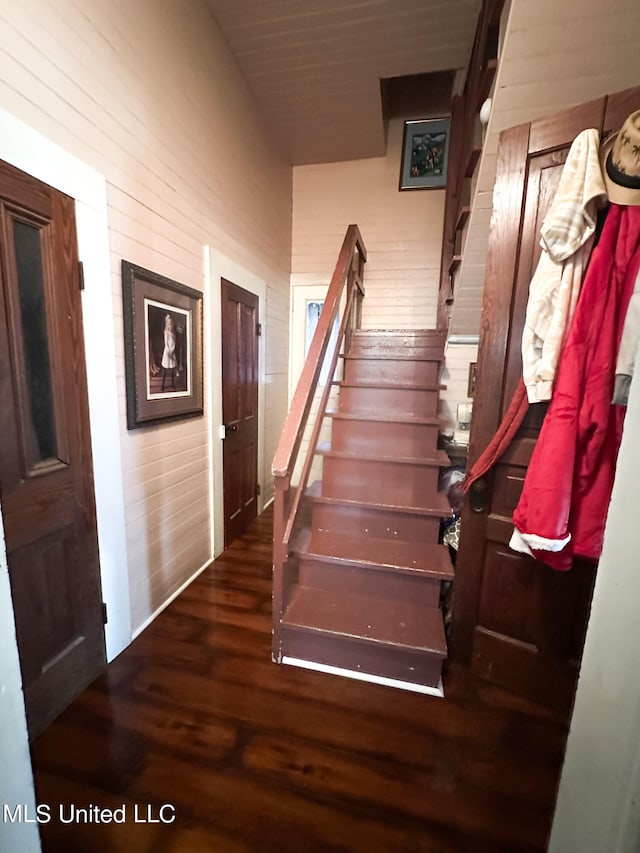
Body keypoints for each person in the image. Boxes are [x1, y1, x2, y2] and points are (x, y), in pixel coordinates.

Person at [161, 313, 177, 391]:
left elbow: (174, 343)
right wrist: (168, 351)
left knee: (172, 369)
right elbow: (166, 343)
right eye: (169, 324)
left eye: (171, 324)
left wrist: (172, 350)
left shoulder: (173, 333)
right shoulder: (166, 332)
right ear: (167, 324)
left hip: (172, 352)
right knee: (165, 369)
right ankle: (163, 385)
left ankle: (172, 383)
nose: (170, 326)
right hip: (167, 352)